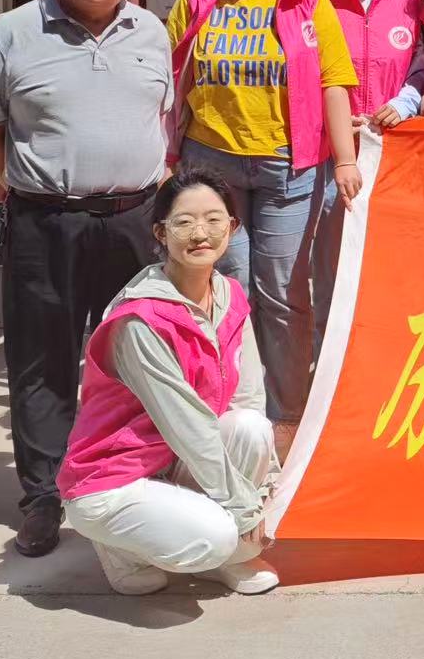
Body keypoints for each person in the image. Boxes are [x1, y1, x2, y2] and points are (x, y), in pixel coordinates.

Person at [0, 0, 173, 559]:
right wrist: (23, 183)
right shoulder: (11, 33)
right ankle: (43, 497)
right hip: (44, 223)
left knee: (136, 360)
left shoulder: (153, 33)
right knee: (41, 362)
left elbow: (160, 118)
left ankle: (126, 481)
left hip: (134, 222)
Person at [165, 0, 360, 455]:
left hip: (287, 166)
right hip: (211, 163)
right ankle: (230, 406)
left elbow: (334, 80)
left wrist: (345, 159)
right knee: (225, 286)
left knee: (281, 292)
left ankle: (288, 416)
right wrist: (166, 156)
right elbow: (168, 72)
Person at [60, 168, 280, 596]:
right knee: (217, 536)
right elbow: (186, 424)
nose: (200, 233)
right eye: (184, 222)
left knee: (251, 427)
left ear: (233, 227)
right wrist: (245, 509)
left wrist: (260, 487)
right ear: (161, 232)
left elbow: (249, 395)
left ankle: (225, 557)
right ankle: (121, 548)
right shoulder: (140, 319)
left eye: (214, 220)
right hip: (112, 477)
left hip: (171, 458)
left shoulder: (230, 295)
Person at [301, 0, 424, 349]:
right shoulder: (314, 1)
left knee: (391, 254)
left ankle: (388, 350)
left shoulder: (411, 4)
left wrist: (404, 102)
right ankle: (329, 355)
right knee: (332, 258)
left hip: (395, 151)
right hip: (330, 153)